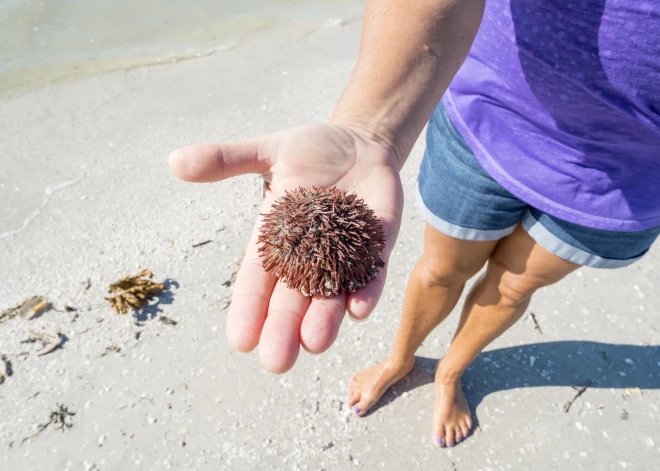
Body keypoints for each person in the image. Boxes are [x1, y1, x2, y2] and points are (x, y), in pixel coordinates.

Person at [169, 0, 660, 448]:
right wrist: (370, 125)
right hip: (487, 119)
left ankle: (449, 372)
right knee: (442, 269)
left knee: (514, 287)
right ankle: (400, 358)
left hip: (632, 183)